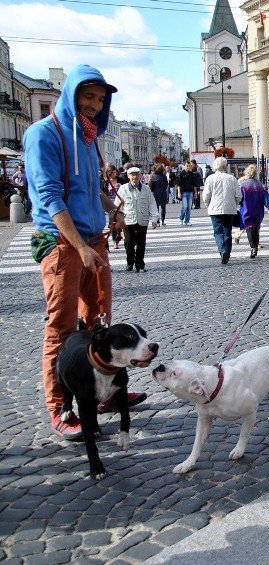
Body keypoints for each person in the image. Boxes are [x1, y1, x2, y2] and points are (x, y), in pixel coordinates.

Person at [23, 64, 147, 441]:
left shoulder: (88, 138)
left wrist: (116, 210)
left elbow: (90, 189)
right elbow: (49, 196)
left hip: (93, 240)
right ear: (71, 96)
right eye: (87, 96)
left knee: (98, 323)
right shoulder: (44, 134)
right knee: (61, 329)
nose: (94, 104)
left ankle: (103, 394)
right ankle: (60, 409)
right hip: (62, 244)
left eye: (100, 98)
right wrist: (79, 246)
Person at [116, 166, 159, 272]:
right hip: (128, 219)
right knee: (129, 242)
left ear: (140, 176)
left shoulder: (146, 188)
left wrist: (154, 219)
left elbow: (152, 203)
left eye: (137, 174)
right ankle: (130, 262)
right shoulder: (123, 188)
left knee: (141, 243)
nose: (135, 177)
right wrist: (117, 218)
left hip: (142, 218)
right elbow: (117, 204)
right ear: (128, 176)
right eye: (132, 174)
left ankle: (140, 264)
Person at [203, 157, 242, 264]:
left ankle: (223, 250)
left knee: (218, 232)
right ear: (225, 166)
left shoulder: (210, 179)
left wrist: (208, 205)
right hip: (229, 209)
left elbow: (206, 195)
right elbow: (238, 195)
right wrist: (235, 204)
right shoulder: (232, 178)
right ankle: (227, 252)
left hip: (215, 209)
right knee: (227, 232)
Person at [237, 164, 269, 259]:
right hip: (258, 211)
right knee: (256, 228)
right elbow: (267, 200)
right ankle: (255, 247)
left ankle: (253, 248)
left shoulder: (243, 185)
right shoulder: (261, 186)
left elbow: (239, 199)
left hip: (247, 210)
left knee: (249, 229)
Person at [176, 161, 197, 226]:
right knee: (185, 206)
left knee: (189, 207)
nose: (188, 167)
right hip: (184, 192)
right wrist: (179, 193)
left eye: (189, 166)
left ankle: (187, 220)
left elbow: (194, 184)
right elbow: (178, 184)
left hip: (190, 191)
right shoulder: (181, 174)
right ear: (184, 166)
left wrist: (195, 192)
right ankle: (181, 218)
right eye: (187, 166)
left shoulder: (191, 174)